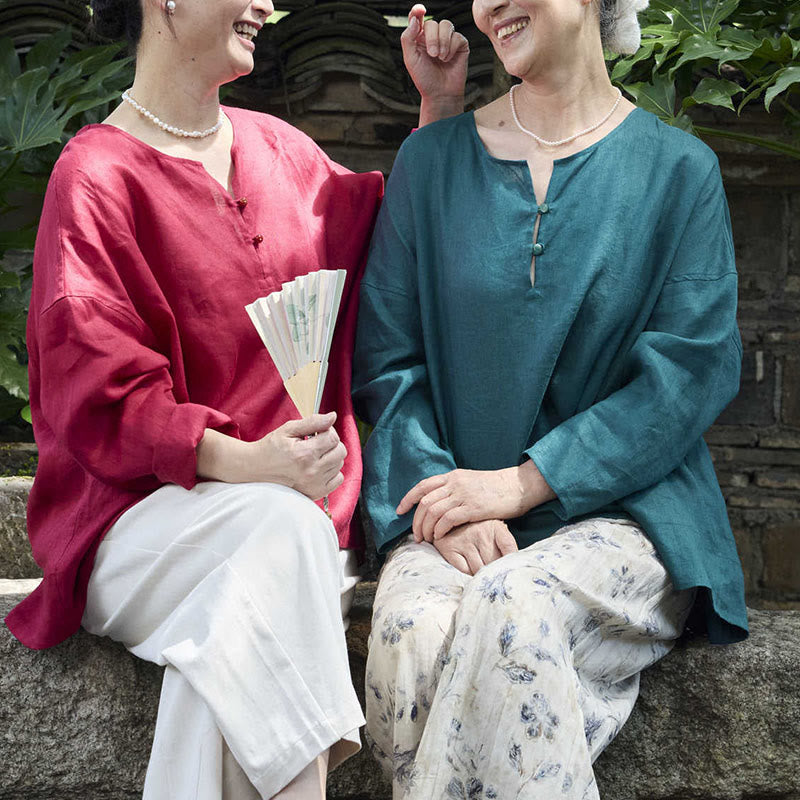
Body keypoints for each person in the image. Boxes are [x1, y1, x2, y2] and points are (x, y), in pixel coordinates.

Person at [4, 1, 468, 798]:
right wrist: (246, 462)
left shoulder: (282, 150)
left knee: (224, 643)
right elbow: (99, 389)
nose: (264, 3)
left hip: (283, 533)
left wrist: (439, 108)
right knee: (279, 531)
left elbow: (395, 258)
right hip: (139, 522)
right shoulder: (94, 177)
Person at [352, 0, 748, 797]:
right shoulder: (432, 162)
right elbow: (389, 362)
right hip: (451, 511)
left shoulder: (679, 171)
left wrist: (519, 485)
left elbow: (688, 373)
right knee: (409, 629)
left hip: (631, 516)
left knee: (513, 601)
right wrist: (442, 504)